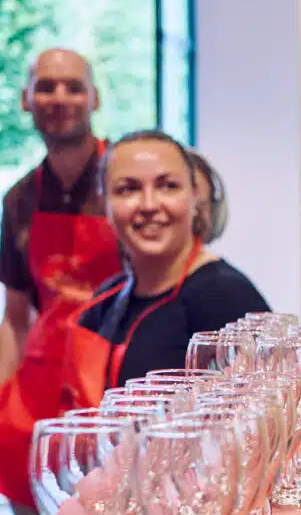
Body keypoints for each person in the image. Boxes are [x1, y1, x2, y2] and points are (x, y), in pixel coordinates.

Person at [0, 49, 121, 515]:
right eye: (46, 87)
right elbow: (14, 318)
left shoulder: (125, 183)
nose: (59, 98)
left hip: (114, 396)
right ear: (26, 100)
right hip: (37, 407)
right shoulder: (19, 199)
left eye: (73, 87)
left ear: (95, 98)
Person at [63, 132, 269, 411]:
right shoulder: (106, 301)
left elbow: (264, 419)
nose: (149, 205)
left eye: (168, 186)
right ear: (104, 204)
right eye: (128, 189)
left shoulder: (228, 298)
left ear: (195, 198)